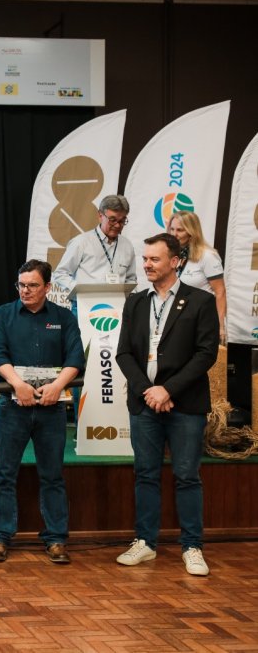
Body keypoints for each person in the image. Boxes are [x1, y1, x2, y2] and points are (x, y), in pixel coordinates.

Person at [115, 233, 219, 576]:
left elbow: (205, 354)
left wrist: (167, 390)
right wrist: (149, 391)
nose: (146, 264)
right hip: (144, 404)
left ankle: (192, 547)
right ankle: (145, 542)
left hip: (185, 405)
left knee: (187, 475)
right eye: (145, 258)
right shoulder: (135, 302)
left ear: (175, 261)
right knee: (145, 474)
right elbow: (124, 353)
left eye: (154, 259)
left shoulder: (201, 301)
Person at [0, 259, 84, 564]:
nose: (25, 291)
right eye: (21, 285)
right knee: (4, 473)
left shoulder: (64, 318)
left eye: (32, 285)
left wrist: (57, 386)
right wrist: (18, 385)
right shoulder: (3, 314)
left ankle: (56, 539)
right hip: (12, 406)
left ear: (47, 287)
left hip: (52, 408)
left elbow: (75, 358)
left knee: (52, 475)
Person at [52, 194, 138, 311]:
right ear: (100, 216)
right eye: (112, 220)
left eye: (122, 221)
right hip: (85, 306)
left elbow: (131, 279)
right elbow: (60, 273)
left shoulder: (127, 246)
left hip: (117, 308)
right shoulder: (81, 242)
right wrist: (80, 291)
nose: (118, 225)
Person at [166, 211, 227, 344]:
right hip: (177, 319)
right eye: (172, 229)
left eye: (180, 230)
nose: (174, 234)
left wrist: (220, 326)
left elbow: (220, 292)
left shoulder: (208, 256)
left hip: (202, 321)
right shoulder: (173, 255)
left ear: (191, 232)